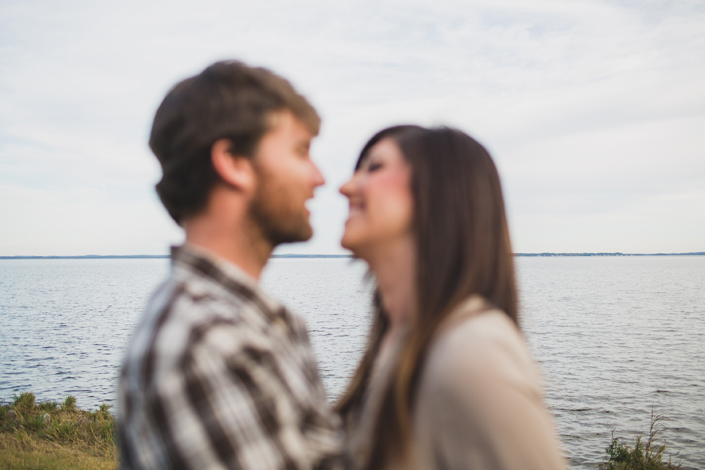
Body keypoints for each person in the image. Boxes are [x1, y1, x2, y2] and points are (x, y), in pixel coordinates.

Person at [117, 61, 343, 470]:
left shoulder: (256, 321)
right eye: (300, 151)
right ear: (233, 162)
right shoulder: (200, 343)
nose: (319, 177)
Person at [336, 125, 565, 470]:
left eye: (374, 167)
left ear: (438, 193)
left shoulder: (473, 353)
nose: (346, 187)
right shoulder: (395, 345)